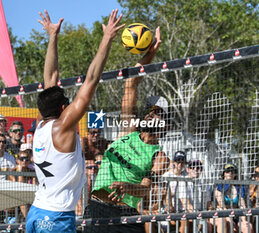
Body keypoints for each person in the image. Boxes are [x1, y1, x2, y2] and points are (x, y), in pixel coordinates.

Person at [25, 9, 125, 233]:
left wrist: (52, 36)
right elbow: (91, 79)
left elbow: (50, 79)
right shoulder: (63, 127)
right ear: (63, 108)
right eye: (67, 103)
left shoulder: (41, 124)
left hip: (36, 212)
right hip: (55, 217)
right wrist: (107, 37)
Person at [85, 26, 167, 233]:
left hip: (126, 215)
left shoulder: (159, 156)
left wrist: (127, 187)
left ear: (164, 122)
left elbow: (146, 187)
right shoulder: (127, 131)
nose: (150, 114)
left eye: (157, 112)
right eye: (149, 110)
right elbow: (131, 85)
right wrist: (150, 54)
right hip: (98, 209)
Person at [214, 163, 253, 233]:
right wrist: (230, 219)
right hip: (222, 214)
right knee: (225, 223)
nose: (230, 173)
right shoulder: (219, 187)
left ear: (236, 174)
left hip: (236, 215)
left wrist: (244, 220)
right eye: (227, 171)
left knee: (248, 227)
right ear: (224, 173)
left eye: (233, 171)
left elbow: (242, 205)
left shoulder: (239, 187)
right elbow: (222, 206)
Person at [177, 160, 211, 233]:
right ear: (188, 169)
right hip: (185, 212)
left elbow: (208, 204)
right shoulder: (183, 181)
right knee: (185, 222)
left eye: (198, 167)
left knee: (211, 224)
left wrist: (207, 215)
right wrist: (198, 217)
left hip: (200, 212)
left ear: (201, 170)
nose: (195, 169)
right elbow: (186, 205)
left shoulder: (204, 183)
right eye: (192, 167)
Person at [12, 143, 36, 221]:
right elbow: (20, 186)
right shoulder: (12, 172)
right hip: (16, 198)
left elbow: (34, 185)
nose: (24, 161)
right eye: (22, 159)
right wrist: (20, 171)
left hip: (30, 196)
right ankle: (28, 220)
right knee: (23, 200)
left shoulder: (32, 171)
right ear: (17, 160)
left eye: (27, 159)